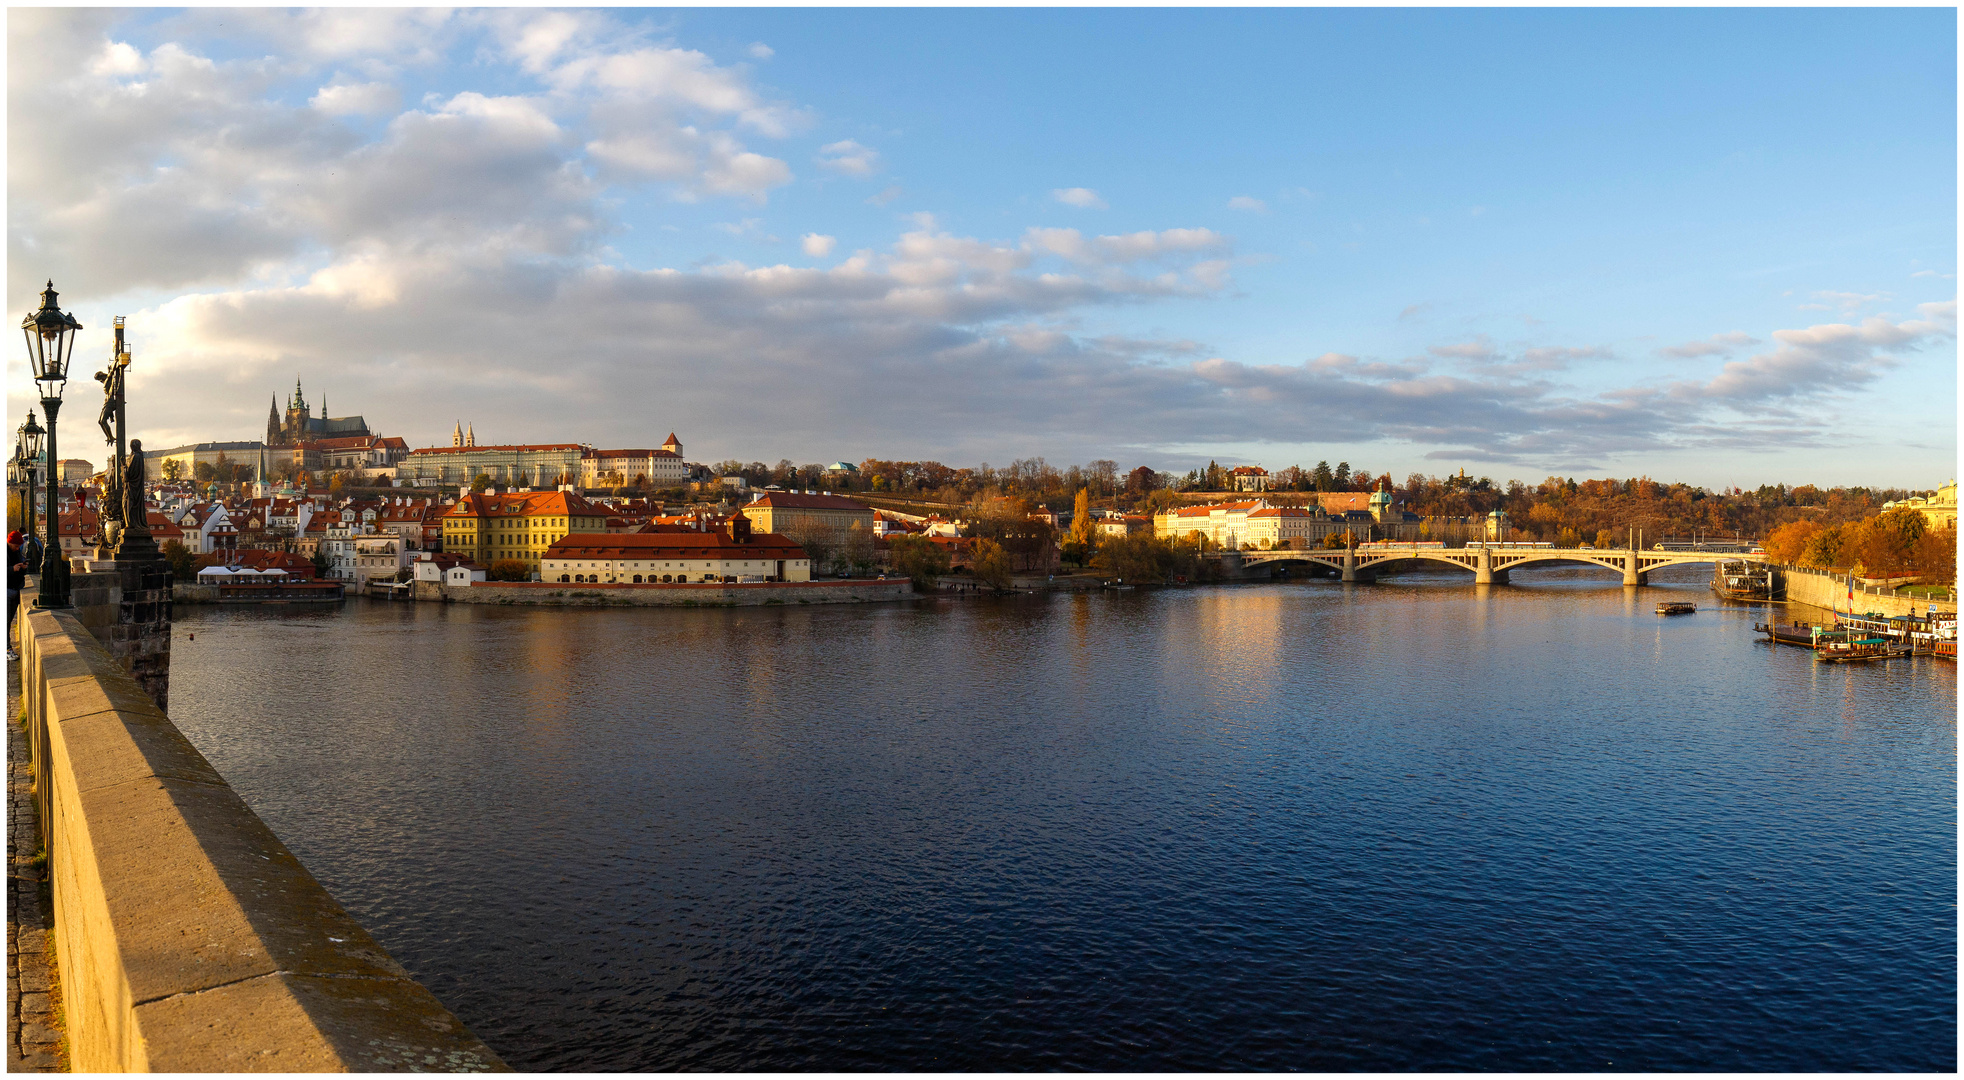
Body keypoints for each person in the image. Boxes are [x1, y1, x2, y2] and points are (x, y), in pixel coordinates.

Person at [7, 530, 26, 660]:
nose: (18, 548)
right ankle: (7, 649)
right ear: (10, 542)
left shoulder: (17, 552)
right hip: (6, 590)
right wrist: (11, 569)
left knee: (8, 621)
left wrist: (24, 566)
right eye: (16, 545)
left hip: (15, 589)